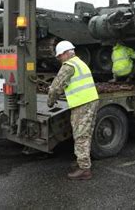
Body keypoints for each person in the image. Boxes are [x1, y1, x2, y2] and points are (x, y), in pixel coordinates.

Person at [47, 41, 99, 180]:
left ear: (65, 53)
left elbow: (55, 87)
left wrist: (50, 101)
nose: (59, 59)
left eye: (59, 56)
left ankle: (84, 170)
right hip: (91, 101)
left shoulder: (69, 66)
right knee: (85, 134)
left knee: (80, 135)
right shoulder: (80, 63)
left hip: (83, 103)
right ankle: (82, 161)